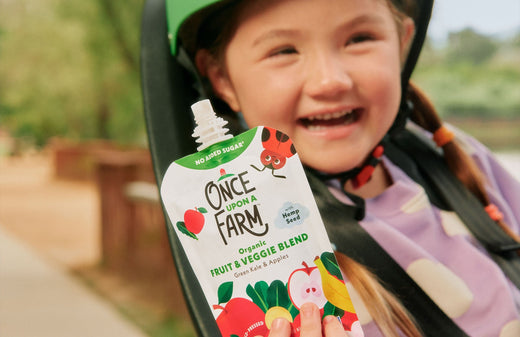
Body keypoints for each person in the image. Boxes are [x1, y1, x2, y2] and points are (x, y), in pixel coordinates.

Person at [164, 0, 520, 336]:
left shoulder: (459, 159)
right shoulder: (257, 255)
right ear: (222, 79)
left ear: (401, 45)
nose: (330, 81)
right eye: (284, 51)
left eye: (359, 39)